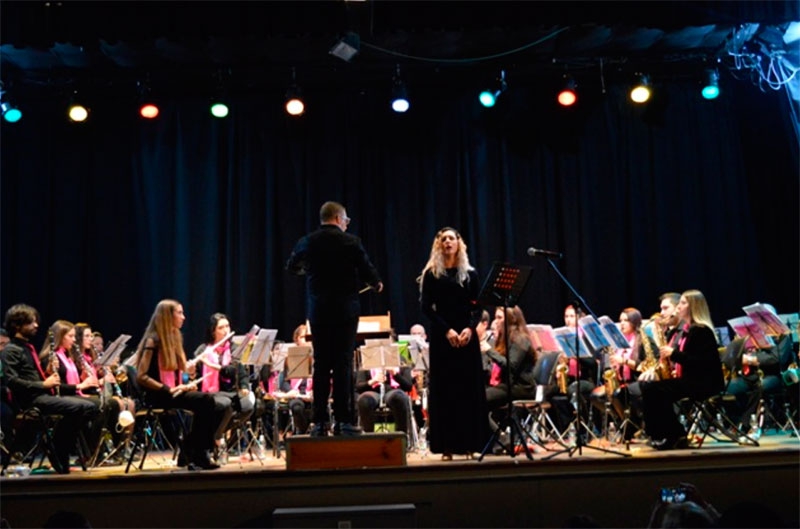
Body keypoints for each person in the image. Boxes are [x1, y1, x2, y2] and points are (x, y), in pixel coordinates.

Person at [286, 201, 383, 437]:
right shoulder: (351, 242)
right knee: (342, 364)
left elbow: (291, 267)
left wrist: (309, 270)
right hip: (345, 312)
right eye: (346, 221)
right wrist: (376, 283)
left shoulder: (307, 241)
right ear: (339, 219)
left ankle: (319, 423)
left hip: (318, 311)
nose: (346, 225)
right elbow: (367, 269)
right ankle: (344, 421)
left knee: (321, 364)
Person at [418, 226, 489, 460]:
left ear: (459, 243)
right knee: (445, 392)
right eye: (444, 239)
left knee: (467, 391)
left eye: (452, 238)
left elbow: (477, 308)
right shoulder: (432, 274)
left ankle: (469, 444)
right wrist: (447, 330)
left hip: (467, 338)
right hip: (442, 337)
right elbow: (426, 308)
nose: (448, 242)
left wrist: (470, 329)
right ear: (439, 244)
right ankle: (446, 446)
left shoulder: (470, 273)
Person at [1, 304, 98, 474]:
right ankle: (58, 448)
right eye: (31, 322)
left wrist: (46, 375)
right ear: (17, 325)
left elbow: (31, 376)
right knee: (78, 406)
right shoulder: (11, 350)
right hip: (29, 401)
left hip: (42, 396)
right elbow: (11, 381)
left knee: (90, 406)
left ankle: (56, 444)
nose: (36, 325)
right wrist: (43, 385)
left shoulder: (27, 347)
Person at [134, 299, 220, 470]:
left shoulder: (174, 338)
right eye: (179, 313)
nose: (184, 317)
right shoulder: (152, 341)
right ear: (167, 316)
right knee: (205, 401)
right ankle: (196, 452)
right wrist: (169, 389)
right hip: (158, 395)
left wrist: (187, 379)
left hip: (173, 393)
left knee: (208, 402)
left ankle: (192, 449)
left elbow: (178, 373)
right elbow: (141, 376)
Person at [640, 289, 725, 450]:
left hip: (704, 383)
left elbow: (701, 363)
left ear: (693, 306)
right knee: (651, 387)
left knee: (655, 390)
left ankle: (673, 434)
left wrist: (674, 354)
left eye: (683, 303)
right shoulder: (688, 330)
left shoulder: (701, 331)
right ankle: (667, 433)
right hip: (691, 380)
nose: (679, 307)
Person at [191, 313, 248, 458]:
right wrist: (190, 373)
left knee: (249, 405)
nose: (226, 330)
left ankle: (215, 437)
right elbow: (194, 375)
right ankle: (214, 440)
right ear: (213, 331)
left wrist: (244, 385)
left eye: (227, 326)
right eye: (221, 327)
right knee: (224, 405)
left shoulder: (235, 348)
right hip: (209, 393)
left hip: (229, 391)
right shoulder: (203, 349)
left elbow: (233, 371)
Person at [485, 305, 537, 438]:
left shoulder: (521, 339)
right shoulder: (505, 338)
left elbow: (511, 366)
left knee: (478, 399)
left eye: (499, 318)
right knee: (475, 399)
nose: (496, 321)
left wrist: (488, 350)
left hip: (523, 388)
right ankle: (496, 440)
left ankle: (501, 438)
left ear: (510, 319)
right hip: (509, 385)